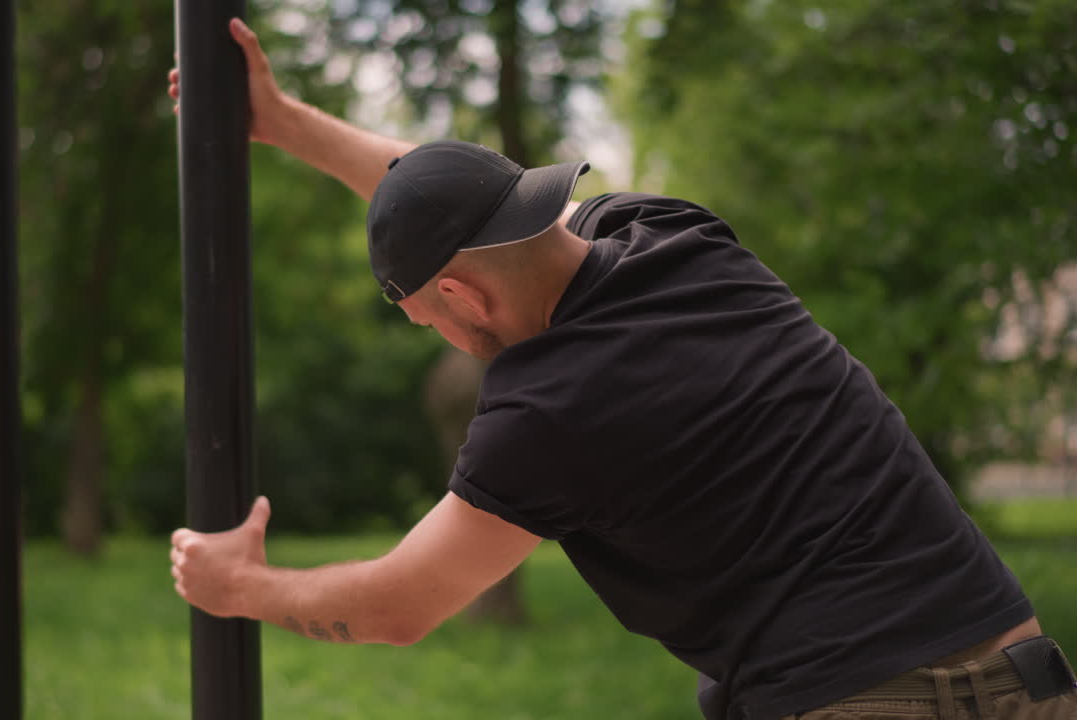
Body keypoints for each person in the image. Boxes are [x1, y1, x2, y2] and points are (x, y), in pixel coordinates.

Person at [165, 18, 1076, 720]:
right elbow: (455, 201)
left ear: (461, 297)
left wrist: (239, 587)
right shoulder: (669, 234)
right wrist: (282, 123)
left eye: (426, 319)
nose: (437, 335)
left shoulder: (544, 411)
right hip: (1023, 671)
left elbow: (399, 606)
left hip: (857, 699)